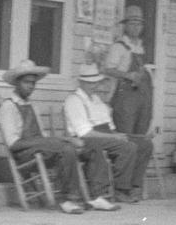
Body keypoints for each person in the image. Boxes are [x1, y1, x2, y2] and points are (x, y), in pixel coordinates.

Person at [0, 60, 87, 214]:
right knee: (65, 146)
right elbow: (13, 144)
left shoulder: (33, 106)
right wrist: (52, 141)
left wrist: (51, 142)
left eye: (33, 83)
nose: (30, 86)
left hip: (39, 149)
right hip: (23, 155)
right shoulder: (8, 106)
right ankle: (67, 199)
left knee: (68, 149)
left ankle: (71, 199)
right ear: (17, 83)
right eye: (26, 82)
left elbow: (42, 136)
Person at [63, 66, 152, 206]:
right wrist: (115, 138)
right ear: (81, 82)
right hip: (87, 139)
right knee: (127, 147)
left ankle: (134, 186)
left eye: (95, 82)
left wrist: (118, 135)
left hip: (107, 136)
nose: (93, 85)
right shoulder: (74, 100)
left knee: (145, 144)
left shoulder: (97, 100)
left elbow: (110, 128)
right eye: (89, 82)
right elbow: (84, 132)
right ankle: (120, 189)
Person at [102, 6, 154, 198]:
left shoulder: (141, 46)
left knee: (141, 140)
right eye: (132, 23)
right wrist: (128, 75)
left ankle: (134, 186)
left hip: (142, 98)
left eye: (139, 23)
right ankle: (121, 187)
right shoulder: (118, 46)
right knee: (127, 140)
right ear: (125, 25)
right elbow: (107, 69)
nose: (136, 27)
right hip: (124, 98)